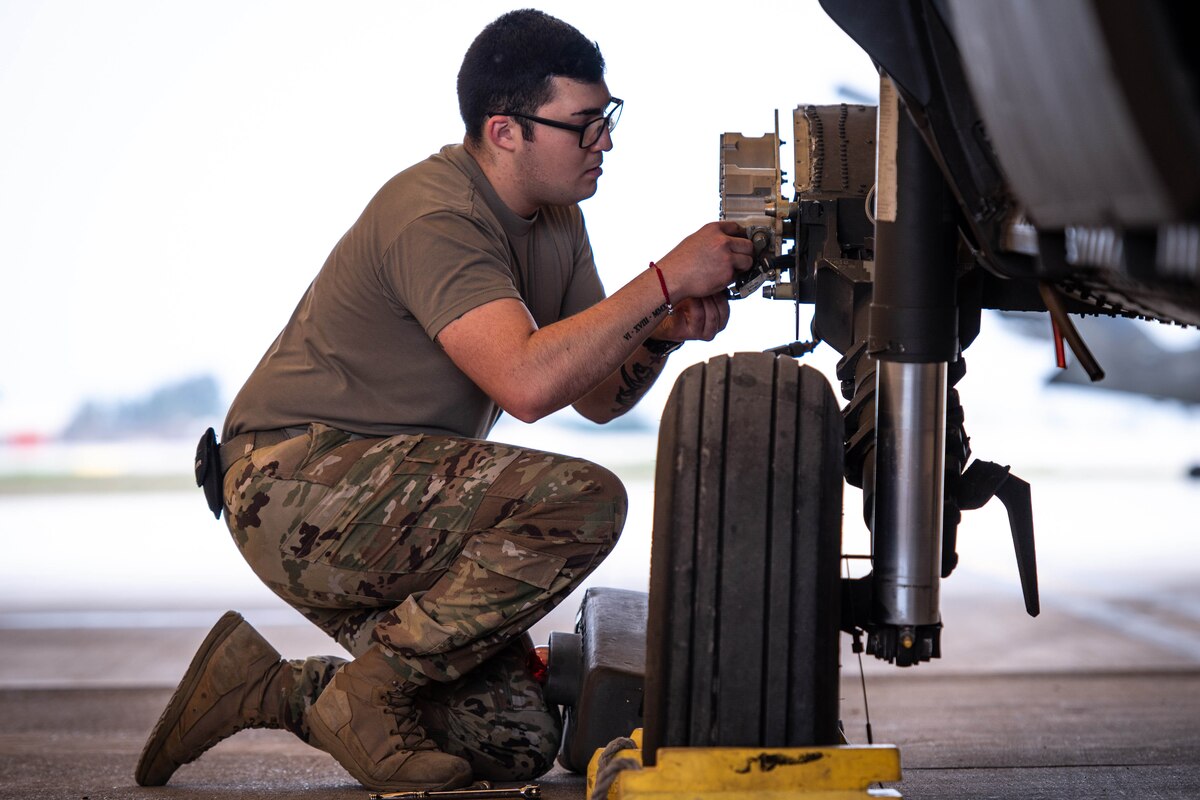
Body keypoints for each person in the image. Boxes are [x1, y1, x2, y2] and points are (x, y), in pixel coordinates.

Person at [135, 8, 751, 793]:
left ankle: (266, 686)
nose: (605, 141)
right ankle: (370, 691)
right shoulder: (437, 215)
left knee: (511, 740)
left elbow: (595, 396)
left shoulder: (558, 221)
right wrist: (662, 279)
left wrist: (659, 332)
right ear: (505, 131)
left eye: (608, 119)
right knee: (585, 501)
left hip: (391, 502)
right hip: (291, 480)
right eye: (585, 125)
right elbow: (526, 385)